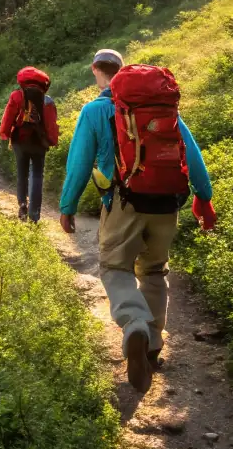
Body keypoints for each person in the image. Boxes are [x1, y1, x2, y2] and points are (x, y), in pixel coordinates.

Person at [58, 49, 216, 392]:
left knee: (115, 268)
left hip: (122, 203)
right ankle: (153, 346)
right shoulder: (163, 110)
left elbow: (80, 163)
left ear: (97, 73)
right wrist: (204, 196)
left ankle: (135, 324)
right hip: (166, 203)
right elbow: (192, 151)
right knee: (155, 270)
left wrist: (67, 206)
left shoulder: (96, 110)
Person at [0, 66, 59, 222]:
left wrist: (4, 133)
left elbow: (8, 117)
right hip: (39, 142)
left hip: (20, 140)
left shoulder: (17, 96)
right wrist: (52, 141)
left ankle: (22, 205)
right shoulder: (48, 101)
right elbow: (51, 125)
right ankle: (35, 214)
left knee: (22, 173)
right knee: (37, 175)